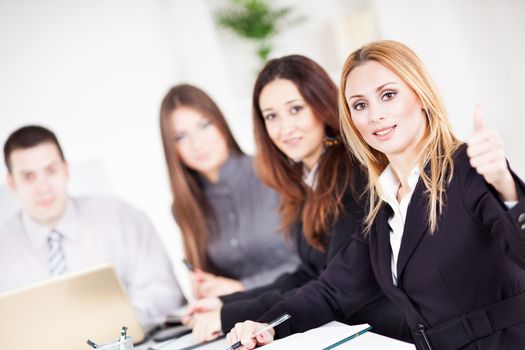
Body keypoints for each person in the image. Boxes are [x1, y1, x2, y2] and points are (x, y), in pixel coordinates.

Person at [226, 40, 525, 350]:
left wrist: (506, 187)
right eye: (360, 105)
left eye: (388, 95)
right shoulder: (385, 208)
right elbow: (333, 290)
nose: (375, 115)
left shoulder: (466, 168)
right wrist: (267, 326)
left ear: (420, 95)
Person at [185, 55, 410, 343]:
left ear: (321, 105)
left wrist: (241, 318)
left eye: (295, 109)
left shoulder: (354, 173)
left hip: (387, 336)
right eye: (271, 116)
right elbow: (306, 273)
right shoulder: (307, 180)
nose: (284, 128)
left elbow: (337, 285)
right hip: (347, 331)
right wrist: (227, 304)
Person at [0, 125, 184, 326]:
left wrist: (108, 328)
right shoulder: (4, 249)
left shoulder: (120, 216)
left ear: (66, 170)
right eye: (29, 177)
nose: (43, 187)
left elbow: (163, 292)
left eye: (51, 171)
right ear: (11, 184)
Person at [159, 84, 298, 299]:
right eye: (180, 137)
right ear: (172, 149)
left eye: (204, 125)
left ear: (220, 124)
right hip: (246, 321)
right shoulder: (184, 207)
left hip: (303, 302)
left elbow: (310, 262)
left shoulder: (273, 172)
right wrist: (207, 288)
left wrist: (241, 287)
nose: (197, 143)